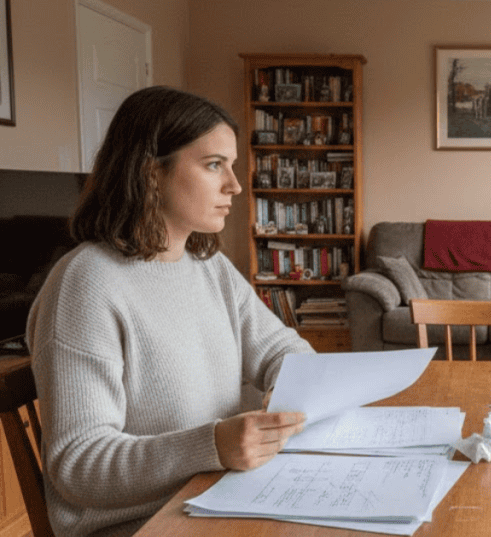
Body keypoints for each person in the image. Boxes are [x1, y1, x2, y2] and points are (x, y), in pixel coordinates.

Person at [27, 86, 311, 537]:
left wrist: (292, 382)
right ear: (150, 173)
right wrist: (212, 445)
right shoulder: (85, 284)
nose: (235, 185)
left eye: (231, 165)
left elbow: (283, 348)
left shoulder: (208, 265)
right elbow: (78, 464)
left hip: (220, 497)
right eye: (214, 164)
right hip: (142, 524)